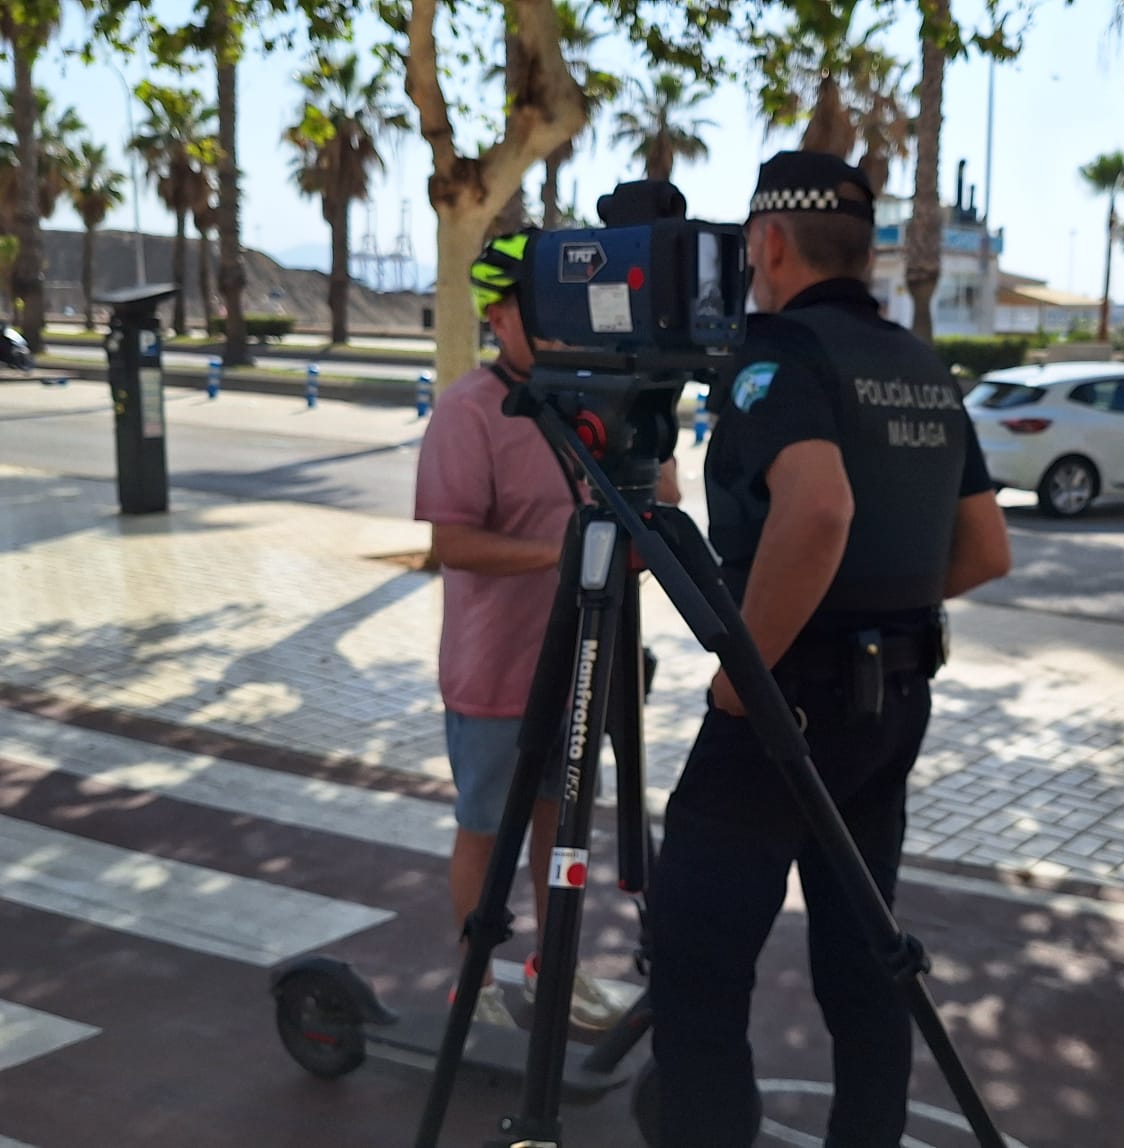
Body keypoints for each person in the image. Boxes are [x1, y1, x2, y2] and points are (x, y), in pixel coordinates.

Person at [648, 152, 1014, 1148]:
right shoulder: (921, 363)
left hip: (788, 706)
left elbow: (817, 509)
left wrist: (745, 673)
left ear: (768, 242)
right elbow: (985, 551)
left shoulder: (781, 351)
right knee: (865, 959)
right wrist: (868, 610)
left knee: (693, 965)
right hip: (892, 706)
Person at [413, 229, 679, 1029]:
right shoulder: (468, 412)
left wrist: (651, 408)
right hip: (496, 673)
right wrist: (569, 556)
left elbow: (661, 500)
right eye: (545, 312)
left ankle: (552, 972)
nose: (567, 327)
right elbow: (450, 544)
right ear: (499, 316)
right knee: (485, 831)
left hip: (584, 670)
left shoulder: (593, 396)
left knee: (561, 832)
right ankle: (477, 986)